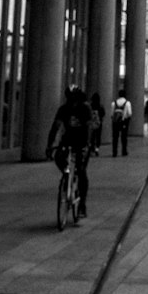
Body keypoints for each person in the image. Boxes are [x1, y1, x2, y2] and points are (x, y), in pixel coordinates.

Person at [46, 84, 94, 216]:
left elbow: (89, 127)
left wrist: (88, 144)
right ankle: (67, 175)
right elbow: (55, 127)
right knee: (59, 157)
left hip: (82, 141)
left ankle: (82, 204)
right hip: (68, 140)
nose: (72, 100)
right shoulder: (63, 109)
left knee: (81, 170)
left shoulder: (85, 108)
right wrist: (50, 145)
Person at [111, 85, 132, 156]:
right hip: (124, 122)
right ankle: (124, 151)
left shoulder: (114, 103)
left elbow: (112, 114)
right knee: (124, 137)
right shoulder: (127, 103)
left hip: (115, 122)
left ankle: (114, 152)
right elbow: (129, 113)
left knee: (115, 137)